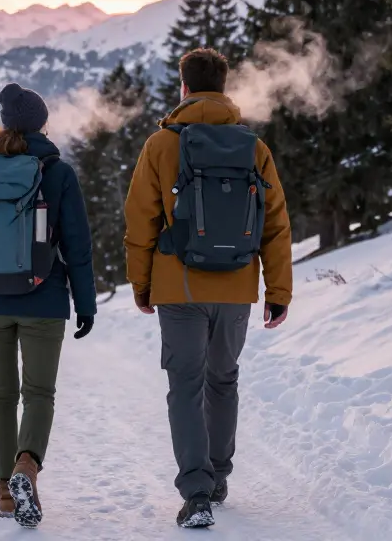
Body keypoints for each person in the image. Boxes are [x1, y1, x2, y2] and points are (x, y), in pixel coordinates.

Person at [123, 48, 293, 529]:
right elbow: (276, 225)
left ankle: (196, 492)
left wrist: (142, 284)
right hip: (237, 286)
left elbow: (140, 221)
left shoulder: (161, 145)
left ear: (183, 87)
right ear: (223, 87)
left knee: (186, 385)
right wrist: (277, 290)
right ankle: (218, 477)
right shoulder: (253, 147)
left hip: (178, 287)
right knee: (224, 380)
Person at [0, 82, 97, 529]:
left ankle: (3, 493)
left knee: (0, 395)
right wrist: (84, 302)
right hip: (44, 299)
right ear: (42, 124)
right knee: (38, 394)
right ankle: (26, 467)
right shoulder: (58, 172)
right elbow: (78, 246)